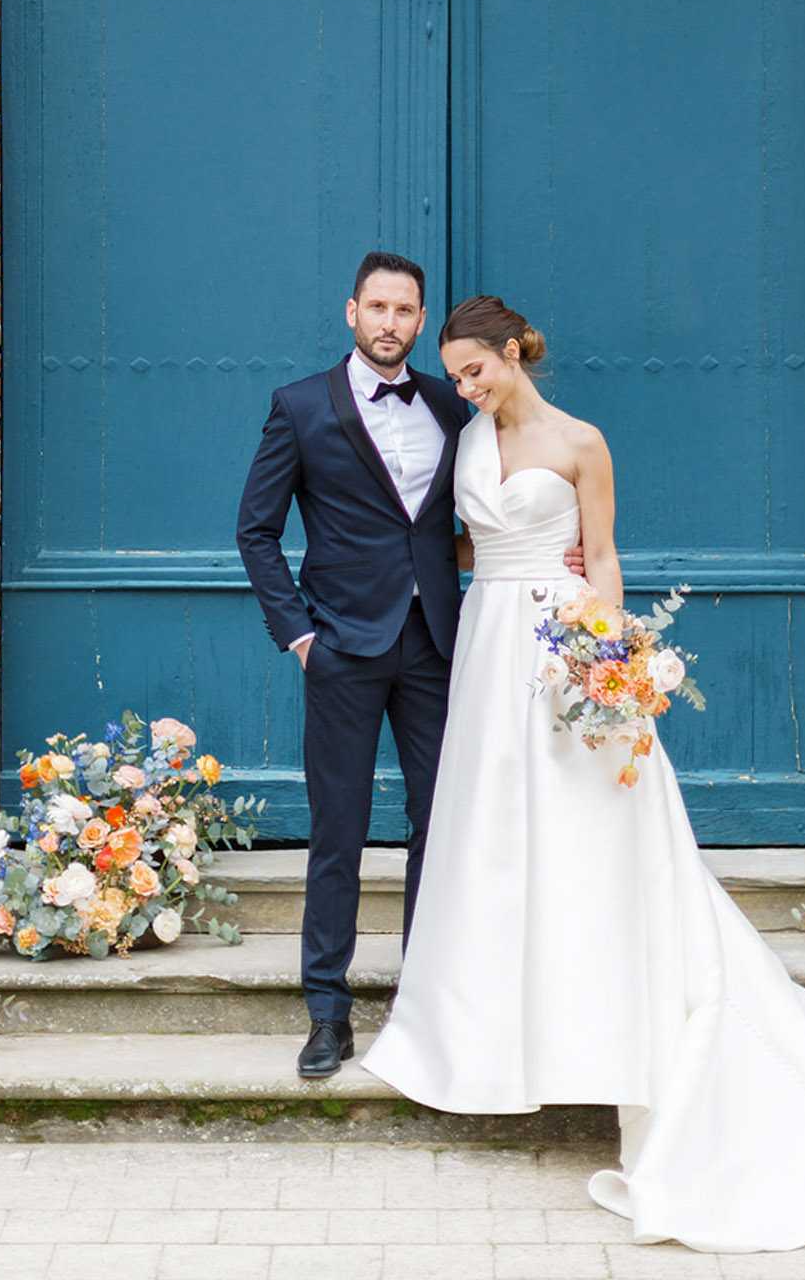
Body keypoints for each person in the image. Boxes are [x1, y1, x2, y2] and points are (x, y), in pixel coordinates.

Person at [360, 294, 805, 1253]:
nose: (464, 388)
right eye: (455, 377)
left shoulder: (582, 443)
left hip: (562, 645)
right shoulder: (467, 442)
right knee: (491, 840)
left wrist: (603, 661)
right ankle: (482, 1045)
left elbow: (601, 558)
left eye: (476, 370)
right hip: (487, 643)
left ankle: (614, 1041)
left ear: (515, 352)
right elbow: (458, 544)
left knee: (589, 847)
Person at [235, 254, 582, 1081]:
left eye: (405, 310)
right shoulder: (298, 407)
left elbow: (462, 524)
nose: (391, 323)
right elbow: (256, 530)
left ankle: (426, 1004)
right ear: (352, 311)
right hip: (343, 651)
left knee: (445, 829)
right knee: (338, 833)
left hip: (440, 648)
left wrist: (544, 550)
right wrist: (299, 635)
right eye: (378, 307)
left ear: (421, 322)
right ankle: (327, 1011)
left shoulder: (450, 404)